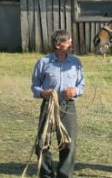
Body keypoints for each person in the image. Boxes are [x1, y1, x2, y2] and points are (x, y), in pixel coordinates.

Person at [31, 29, 84, 178]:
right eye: (68, 41)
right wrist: (42, 93)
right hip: (48, 106)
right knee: (43, 143)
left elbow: (81, 85)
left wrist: (74, 91)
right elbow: (34, 85)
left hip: (68, 107)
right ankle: (46, 175)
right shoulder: (43, 62)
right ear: (58, 44)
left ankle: (64, 174)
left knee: (69, 143)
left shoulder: (76, 63)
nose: (71, 43)